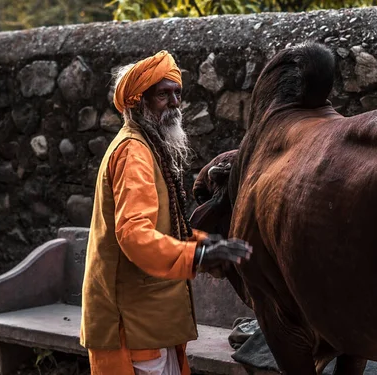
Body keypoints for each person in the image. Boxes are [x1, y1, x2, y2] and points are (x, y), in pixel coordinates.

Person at [80, 50, 253, 375]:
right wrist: (197, 255)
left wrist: (206, 244)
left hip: (148, 319)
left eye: (177, 93)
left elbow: (166, 228)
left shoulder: (146, 146)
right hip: (132, 324)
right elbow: (135, 235)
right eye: (163, 94)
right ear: (137, 101)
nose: (175, 102)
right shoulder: (134, 152)